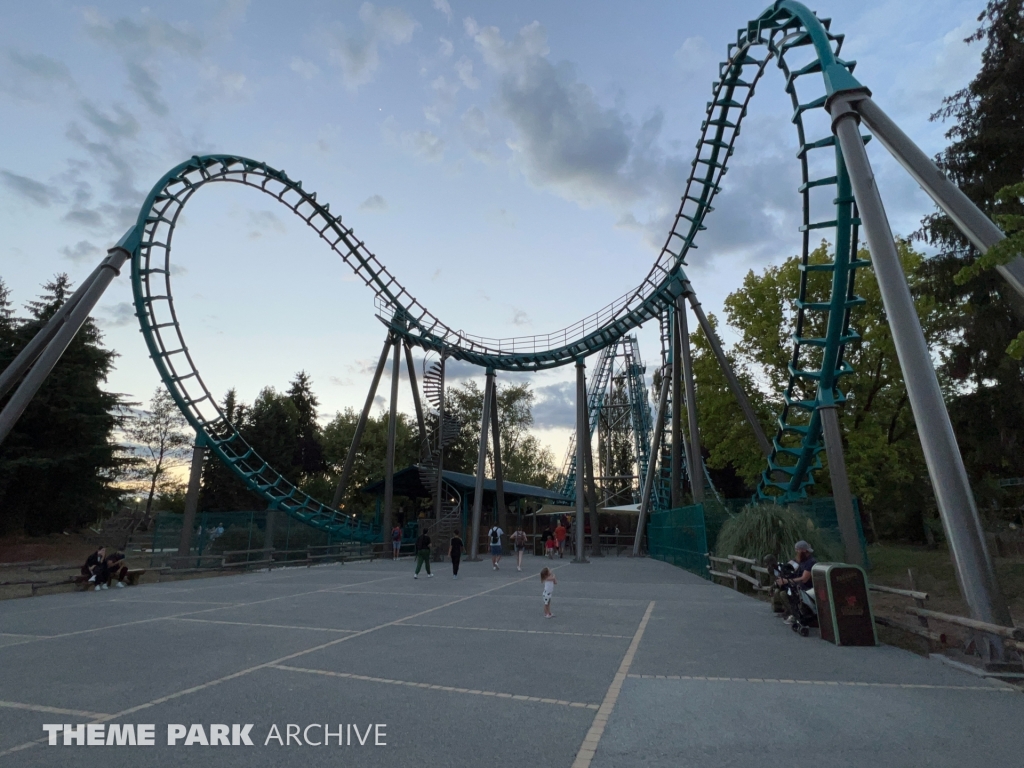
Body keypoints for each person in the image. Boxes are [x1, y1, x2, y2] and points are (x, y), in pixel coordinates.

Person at [775, 540, 817, 624]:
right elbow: (789, 567)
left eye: (798, 550)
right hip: (797, 586)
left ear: (804, 550)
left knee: (784, 594)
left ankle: (796, 615)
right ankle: (789, 611)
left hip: (806, 588)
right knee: (779, 591)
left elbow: (804, 579)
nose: (796, 552)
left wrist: (787, 581)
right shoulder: (799, 560)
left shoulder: (810, 562)